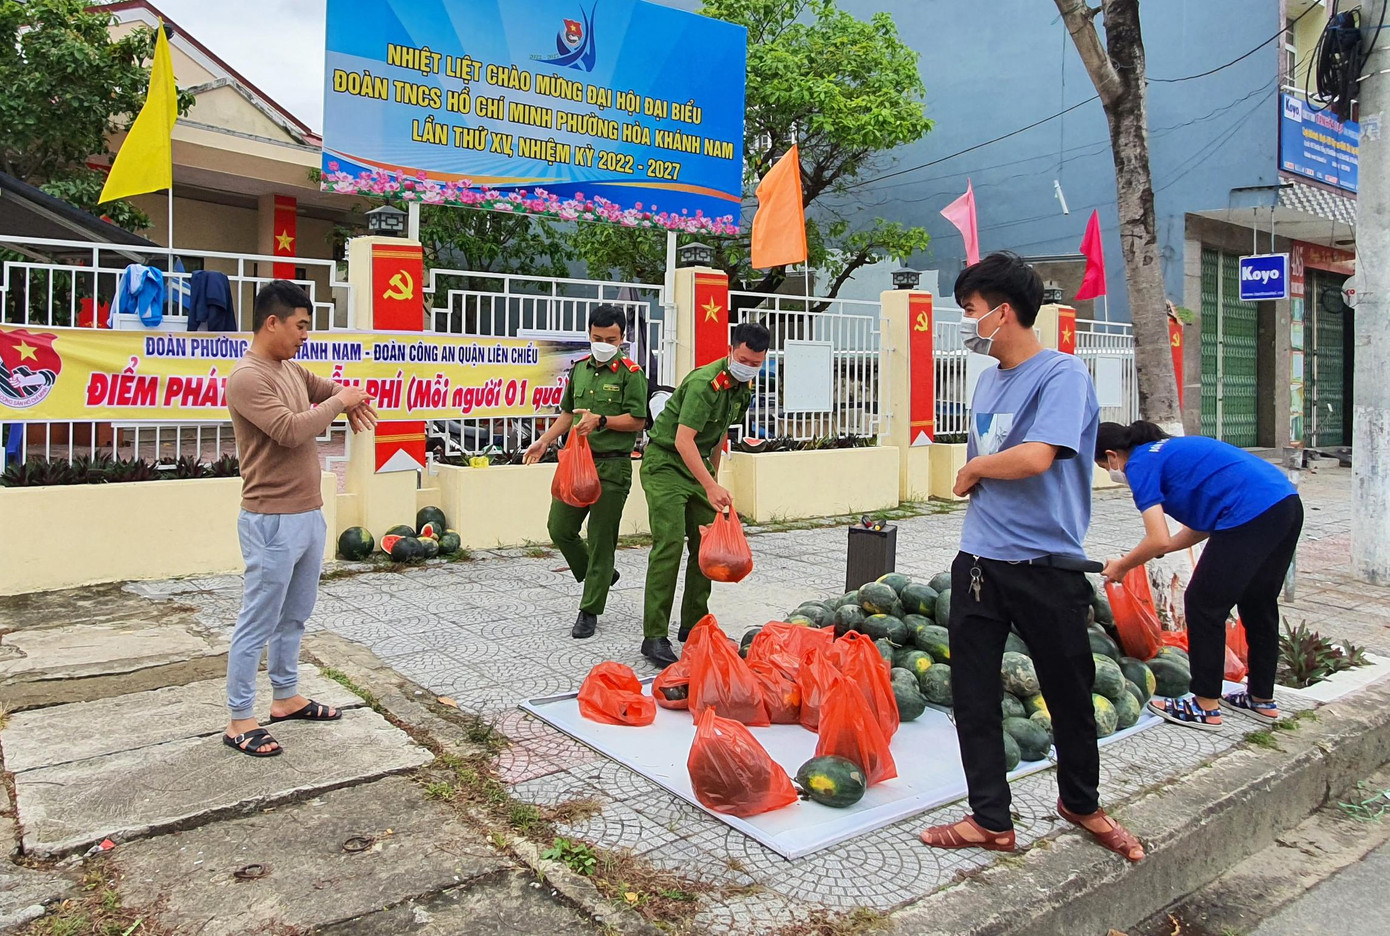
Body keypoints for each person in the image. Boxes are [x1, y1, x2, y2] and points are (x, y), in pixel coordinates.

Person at [919, 252, 1144, 862]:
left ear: (1004, 311)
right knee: (972, 696)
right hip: (980, 562)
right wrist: (979, 474)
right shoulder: (989, 378)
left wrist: (973, 468)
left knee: (1069, 694)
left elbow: (1038, 456)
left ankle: (1081, 803)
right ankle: (990, 819)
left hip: (1047, 564)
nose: (966, 322)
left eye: (970, 311)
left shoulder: (1063, 376)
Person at [222, 281, 377, 757]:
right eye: (300, 325)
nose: (305, 335)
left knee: (294, 617)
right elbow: (290, 431)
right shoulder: (249, 377)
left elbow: (329, 390)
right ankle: (239, 718)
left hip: (307, 513)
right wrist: (339, 404)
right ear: (273, 322)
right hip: (272, 519)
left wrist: (349, 400)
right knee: (258, 621)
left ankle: (286, 697)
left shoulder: (289, 368)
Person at [1095, 421, 1302, 731]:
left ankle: (1204, 705)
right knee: (1258, 602)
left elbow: (1157, 538)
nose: (1113, 473)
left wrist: (1123, 565)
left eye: (1102, 465)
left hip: (1250, 513)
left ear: (1112, 456)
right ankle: (1261, 699)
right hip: (1284, 504)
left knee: (1203, 604)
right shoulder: (1167, 451)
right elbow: (1201, 525)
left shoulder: (1139, 463)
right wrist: (1158, 551)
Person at [639, 322, 768, 668]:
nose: (748, 367)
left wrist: (714, 481)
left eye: (756, 363)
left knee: (706, 547)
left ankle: (694, 625)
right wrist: (709, 485)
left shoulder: (742, 388)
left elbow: (718, 434)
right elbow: (683, 440)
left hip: (697, 470)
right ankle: (654, 636)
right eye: (744, 359)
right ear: (731, 349)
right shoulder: (703, 384)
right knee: (669, 544)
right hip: (666, 464)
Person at [524, 305, 648, 638]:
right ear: (589, 334)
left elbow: (638, 420)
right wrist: (544, 441)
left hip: (612, 464)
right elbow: (567, 413)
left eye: (611, 338)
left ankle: (589, 609)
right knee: (559, 527)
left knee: (600, 539)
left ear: (622, 338)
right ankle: (601, 575)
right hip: (576, 462)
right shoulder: (579, 369)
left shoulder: (631, 372)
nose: (603, 343)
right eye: (597, 337)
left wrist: (603, 420)